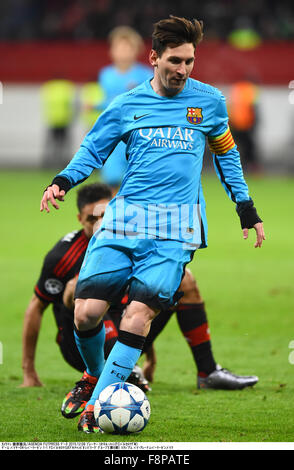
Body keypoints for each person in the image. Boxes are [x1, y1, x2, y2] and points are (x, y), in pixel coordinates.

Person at [40, 16, 265, 434]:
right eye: (175, 61)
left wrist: (245, 207)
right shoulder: (127, 104)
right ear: (154, 58)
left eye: (190, 62)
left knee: (139, 313)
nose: (183, 70)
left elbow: (227, 155)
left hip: (175, 227)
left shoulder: (210, 103)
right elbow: (94, 146)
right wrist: (63, 181)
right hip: (124, 217)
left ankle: (98, 402)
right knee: (86, 312)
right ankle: (95, 378)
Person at [97, 26, 153, 195]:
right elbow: (110, 102)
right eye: (118, 47)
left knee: (138, 182)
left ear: (136, 50)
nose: (122, 52)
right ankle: (114, 218)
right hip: (113, 134)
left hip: (138, 135)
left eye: (127, 47)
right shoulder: (105, 74)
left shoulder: (146, 74)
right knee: (111, 180)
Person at [40, 77, 76, 169]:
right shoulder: (66, 87)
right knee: (64, 144)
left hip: (53, 120)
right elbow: (71, 104)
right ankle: (63, 162)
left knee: (52, 143)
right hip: (64, 120)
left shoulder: (49, 87)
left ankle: (49, 162)